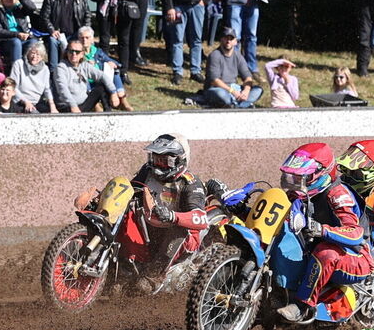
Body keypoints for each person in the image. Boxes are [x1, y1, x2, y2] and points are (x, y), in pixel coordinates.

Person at [275, 143, 372, 324]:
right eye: (292, 178)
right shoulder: (299, 194)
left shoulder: (337, 194)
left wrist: (322, 230)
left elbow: (355, 233)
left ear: (321, 174)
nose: (295, 184)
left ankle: (302, 306)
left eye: (302, 178)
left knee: (325, 252)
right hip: (316, 247)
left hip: (356, 255)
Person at [128, 133, 208, 284]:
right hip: (152, 228)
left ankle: (154, 276)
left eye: (165, 161)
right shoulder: (147, 171)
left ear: (179, 161)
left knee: (178, 230)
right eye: (155, 159)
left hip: (182, 237)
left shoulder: (190, 183)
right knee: (129, 211)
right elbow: (131, 189)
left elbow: (201, 219)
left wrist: (172, 216)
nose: (158, 165)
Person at [198, 26, 262, 108]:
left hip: (235, 89)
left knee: (258, 90)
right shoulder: (214, 55)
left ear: (235, 42)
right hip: (218, 89)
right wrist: (232, 91)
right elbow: (215, 81)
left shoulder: (238, 56)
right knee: (221, 94)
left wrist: (246, 91)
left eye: (231, 39)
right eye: (225, 38)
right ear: (221, 40)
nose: (228, 41)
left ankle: (236, 104)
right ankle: (241, 104)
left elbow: (248, 77)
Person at [0, 0, 49, 71]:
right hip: (7, 41)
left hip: (24, 39)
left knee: (33, 42)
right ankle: (16, 71)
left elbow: (32, 9)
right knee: (16, 42)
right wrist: (17, 34)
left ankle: (30, 69)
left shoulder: (19, 8)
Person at [39, 0, 91, 67]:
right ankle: (53, 70)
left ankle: (79, 69)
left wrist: (83, 32)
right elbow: (44, 16)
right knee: (52, 40)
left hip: (76, 34)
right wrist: (52, 30)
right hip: (58, 34)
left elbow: (87, 16)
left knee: (81, 41)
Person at [78, 26, 133, 110]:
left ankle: (122, 98)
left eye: (87, 37)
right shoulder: (76, 53)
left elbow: (112, 61)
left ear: (92, 39)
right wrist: (85, 64)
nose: (84, 40)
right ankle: (95, 106)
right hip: (87, 81)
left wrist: (111, 63)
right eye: (82, 38)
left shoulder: (97, 51)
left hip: (100, 78)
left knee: (114, 70)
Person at [54, 39, 116, 112]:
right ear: (67, 52)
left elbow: (102, 76)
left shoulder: (84, 65)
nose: (74, 54)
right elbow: (62, 89)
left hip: (83, 104)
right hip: (66, 107)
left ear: (82, 54)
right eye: (71, 51)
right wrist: (73, 105)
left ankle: (108, 115)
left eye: (77, 52)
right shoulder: (61, 68)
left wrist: (113, 92)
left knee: (102, 86)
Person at [10, 42, 57, 113]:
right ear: (28, 53)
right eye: (33, 53)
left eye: (38, 54)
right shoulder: (19, 64)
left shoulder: (45, 69)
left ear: (42, 57)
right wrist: (26, 102)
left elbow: (47, 89)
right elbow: (13, 87)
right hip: (20, 102)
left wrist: (52, 105)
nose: (34, 56)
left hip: (38, 103)